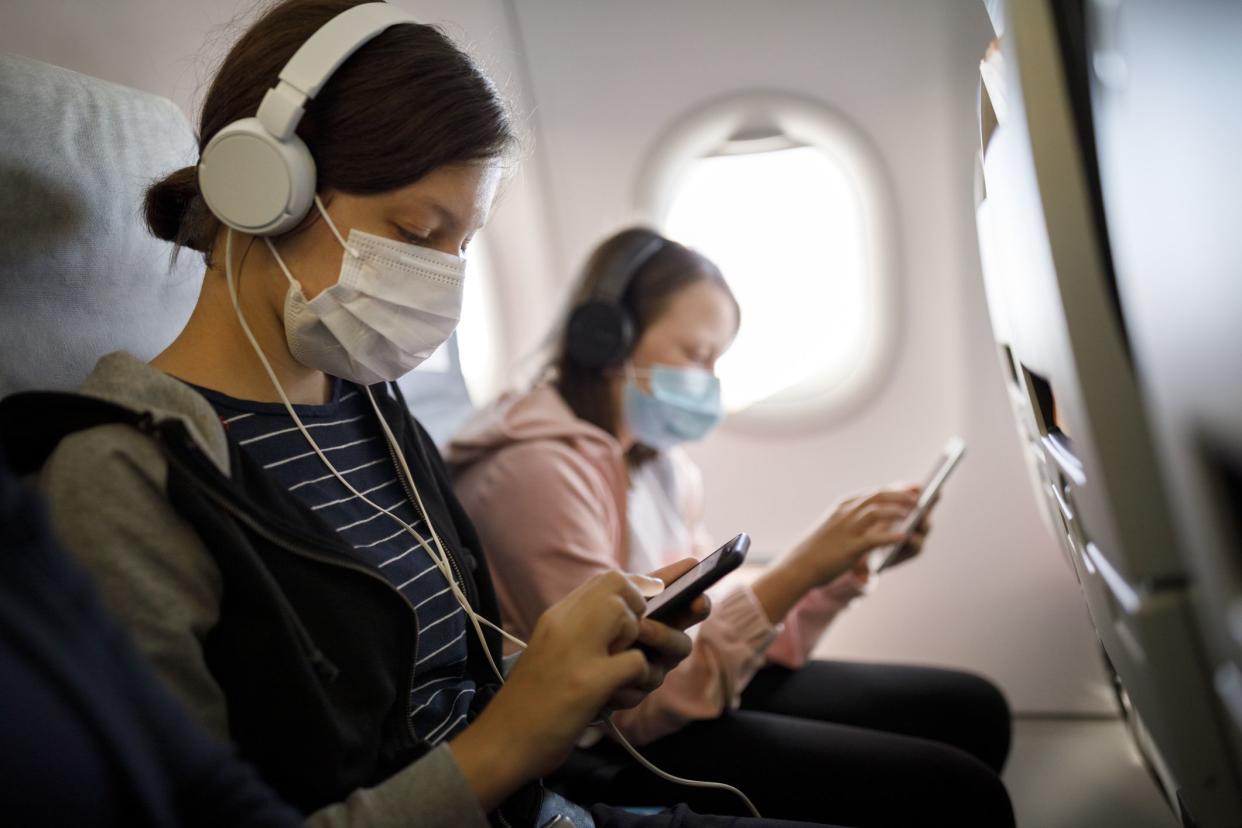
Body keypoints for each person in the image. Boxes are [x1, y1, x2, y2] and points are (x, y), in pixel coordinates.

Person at [7, 3, 838, 827]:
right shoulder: (125, 475)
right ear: (261, 190)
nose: (444, 280)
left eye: (464, 243)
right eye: (415, 231)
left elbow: (448, 693)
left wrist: (570, 674)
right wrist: (515, 736)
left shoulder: (371, 407)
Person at [448, 227, 1015, 826]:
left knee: (970, 710)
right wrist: (796, 570)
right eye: (696, 356)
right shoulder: (533, 473)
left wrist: (838, 569)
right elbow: (625, 702)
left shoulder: (660, 467)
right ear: (606, 339)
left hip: (680, 684)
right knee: (957, 792)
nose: (708, 380)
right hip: (615, 733)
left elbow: (714, 618)